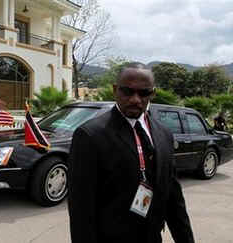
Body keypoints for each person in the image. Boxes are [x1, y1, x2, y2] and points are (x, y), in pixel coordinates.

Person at [68, 63, 195, 243]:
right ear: (115, 90)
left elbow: (173, 197)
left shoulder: (163, 134)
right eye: (127, 91)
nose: (135, 99)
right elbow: (81, 208)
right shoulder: (90, 135)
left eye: (144, 93)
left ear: (153, 93)